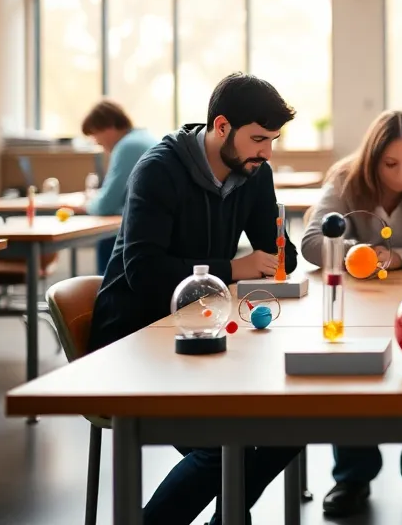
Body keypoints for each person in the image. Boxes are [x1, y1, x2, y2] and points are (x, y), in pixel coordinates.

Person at [87, 73, 300, 525]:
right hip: (135, 337)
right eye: (258, 139)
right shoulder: (158, 169)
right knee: (219, 445)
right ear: (222, 127)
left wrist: (278, 250)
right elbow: (143, 273)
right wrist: (234, 268)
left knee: (296, 423)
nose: (266, 152)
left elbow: (282, 257)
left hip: (202, 331)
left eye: (272, 141)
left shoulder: (253, 171)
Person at [300, 109, 402, 520]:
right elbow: (312, 242)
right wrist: (355, 254)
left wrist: (397, 258)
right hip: (357, 305)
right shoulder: (345, 180)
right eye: (390, 164)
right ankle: (352, 476)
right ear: (372, 159)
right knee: (351, 378)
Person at [80, 100, 158, 274]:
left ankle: (107, 298)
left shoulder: (127, 146)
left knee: (106, 239)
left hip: (145, 231)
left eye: (95, 134)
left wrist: (87, 203)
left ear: (108, 127)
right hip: (157, 225)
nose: (96, 142)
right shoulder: (143, 138)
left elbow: (105, 205)